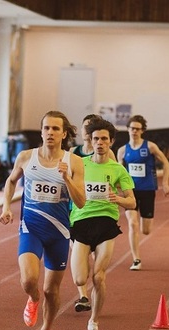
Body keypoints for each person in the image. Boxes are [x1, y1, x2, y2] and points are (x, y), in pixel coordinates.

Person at [0, 110, 86, 330]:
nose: (50, 133)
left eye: (55, 129)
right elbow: (10, 181)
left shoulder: (74, 162)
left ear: (64, 133)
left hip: (58, 233)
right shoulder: (26, 157)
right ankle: (33, 299)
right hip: (31, 228)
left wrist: (67, 178)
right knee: (28, 281)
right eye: (46, 128)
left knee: (52, 290)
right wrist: (7, 206)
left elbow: (80, 202)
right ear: (41, 131)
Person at [70, 118, 136, 330]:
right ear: (91, 140)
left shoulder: (118, 170)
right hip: (80, 221)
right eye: (96, 138)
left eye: (104, 139)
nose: (99, 142)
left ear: (111, 142)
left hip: (106, 222)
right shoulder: (80, 164)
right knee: (80, 279)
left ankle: (94, 322)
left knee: (98, 277)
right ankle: (84, 293)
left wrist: (116, 198)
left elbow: (132, 202)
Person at [117, 115, 169, 270]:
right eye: (131, 128)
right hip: (131, 192)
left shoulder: (150, 147)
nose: (134, 131)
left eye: (137, 129)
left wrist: (165, 183)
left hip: (147, 190)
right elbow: (119, 171)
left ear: (142, 131)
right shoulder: (122, 151)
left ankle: (143, 224)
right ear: (127, 129)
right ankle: (136, 259)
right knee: (132, 224)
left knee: (145, 230)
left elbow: (166, 162)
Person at [70, 114, 103, 313]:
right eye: (85, 127)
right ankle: (83, 295)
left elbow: (114, 176)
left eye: (91, 127)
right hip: (76, 211)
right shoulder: (73, 152)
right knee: (77, 252)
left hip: (97, 212)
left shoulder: (105, 154)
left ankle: (94, 288)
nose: (87, 131)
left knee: (93, 258)